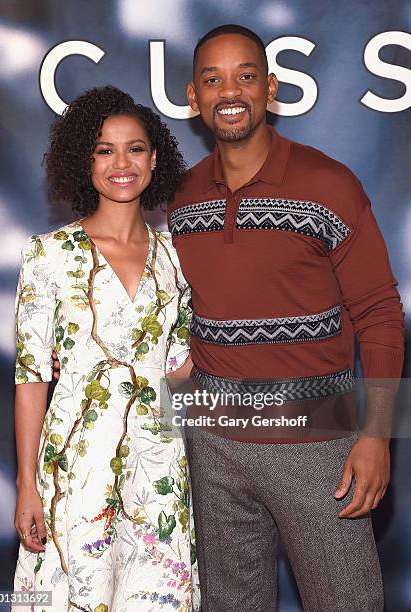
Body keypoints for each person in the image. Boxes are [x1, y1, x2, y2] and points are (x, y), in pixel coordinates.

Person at [166, 25, 405, 612]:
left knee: (347, 603)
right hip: (211, 439)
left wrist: (376, 435)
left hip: (318, 435)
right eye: (212, 79)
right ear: (193, 98)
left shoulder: (328, 184)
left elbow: (379, 314)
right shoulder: (182, 196)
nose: (230, 91)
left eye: (246, 76)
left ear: (270, 88)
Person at [13, 86, 199, 611]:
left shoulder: (177, 255)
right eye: (104, 150)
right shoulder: (48, 255)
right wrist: (28, 484)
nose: (122, 163)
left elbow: (181, 369)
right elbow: (31, 379)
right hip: (75, 462)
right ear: (85, 161)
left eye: (135, 148)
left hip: (159, 466)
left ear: (155, 157)